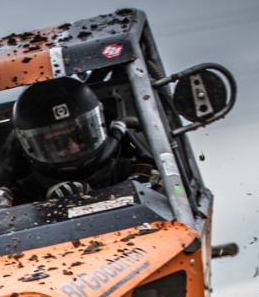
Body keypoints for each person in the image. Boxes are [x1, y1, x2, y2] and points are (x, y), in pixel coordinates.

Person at [9, 76, 152, 202]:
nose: (74, 146)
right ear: (39, 147)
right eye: (59, 143)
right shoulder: (21, 196)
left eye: (82, 136)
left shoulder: (133, 173)